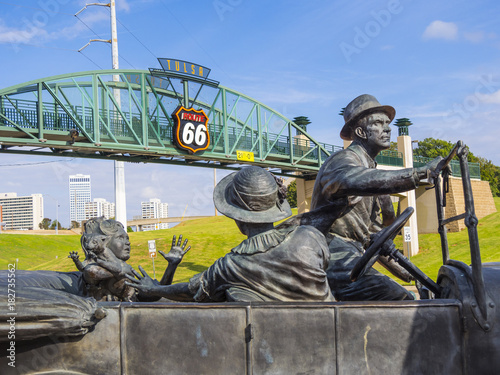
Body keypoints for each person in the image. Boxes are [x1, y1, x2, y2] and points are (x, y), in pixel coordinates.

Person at [126, 166, 334, 303]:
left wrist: (154, 288)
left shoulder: (231, 266)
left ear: (239, 217)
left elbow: (189, 290)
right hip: (332, 335)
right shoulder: (311, 237)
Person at [310, 94, 442, 301]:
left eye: (387, 123)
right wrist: (420, 173)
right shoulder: (343, 162)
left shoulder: (369, 168)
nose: (388, 129)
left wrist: (412, 274)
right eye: (379, 123)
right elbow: (355, 179)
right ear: (361, 132)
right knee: (400, 300)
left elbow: (374, 238)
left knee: (409, 296)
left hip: (350, 254)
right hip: (331, 254)